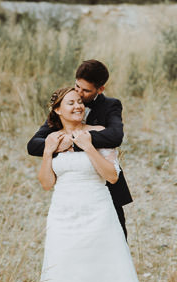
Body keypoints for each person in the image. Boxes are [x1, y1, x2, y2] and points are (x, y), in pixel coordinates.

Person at [17, 87, 163, 282]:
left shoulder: (99, 133)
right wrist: (47, 152)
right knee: (63, 274)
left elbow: (110, 175)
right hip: (63, 215)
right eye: (70, 103)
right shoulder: (50, 139)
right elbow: (47, 184)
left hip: (98, 212)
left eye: (80, 102)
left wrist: (88, 146)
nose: (77, 107)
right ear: (57, 110)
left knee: (106, 272)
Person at [27, 60, 132, 238]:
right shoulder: (65, 104)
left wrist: (78, 141)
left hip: (104, 188)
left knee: (115, 240)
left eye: (86, 91)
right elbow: (33, 145)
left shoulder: (111, 105)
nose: (79, 94)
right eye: (77, 86)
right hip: (71, 193)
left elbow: (115, 136)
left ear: (100, 89)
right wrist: (60, 144)